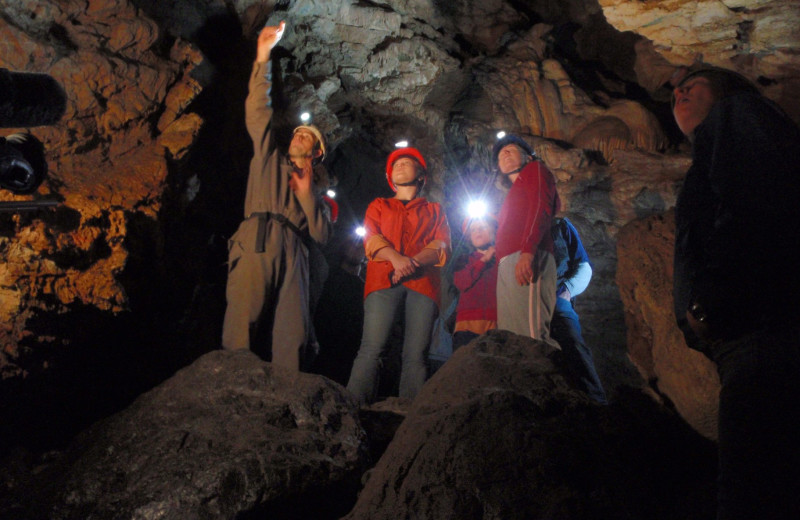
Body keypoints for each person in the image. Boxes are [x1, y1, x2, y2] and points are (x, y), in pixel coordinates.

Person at [671, 66, 800, 520]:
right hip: (747, 332)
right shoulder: (718, 139)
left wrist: (713, 296)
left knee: (751, 489)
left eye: (695, 83)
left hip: (761, 326)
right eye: (676, 91)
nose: (680, 91)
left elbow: (754, 201)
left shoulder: (738, 114)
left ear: (726, 89)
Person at [222, 21, 334, 370]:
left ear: (317, 153)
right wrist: (263, 55)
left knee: (293, 333)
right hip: (259, 234)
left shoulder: (317, 191)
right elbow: (258, 110)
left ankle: (287, 400)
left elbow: (322, 235)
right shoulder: (269, 157)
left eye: (307, 137)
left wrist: (306, 196)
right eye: (298, 133)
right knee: (243, 320)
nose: (299, 136)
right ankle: (228, 385)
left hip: (297, 249)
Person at [346, 147, 450, 404]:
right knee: (371, 348)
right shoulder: (379, 205)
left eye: (407, 162)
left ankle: (409, 416)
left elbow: (442, 244)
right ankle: (354, 407)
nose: (400, 165)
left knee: (416, 354)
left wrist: (411, 262)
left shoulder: (435, 210)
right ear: (390, 177)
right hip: (383, 279)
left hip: (423, 283)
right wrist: (397, 259)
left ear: (421, 175)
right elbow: (372, 238)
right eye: (396, 164)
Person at [493, 134, 561, 346]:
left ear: (529, 157)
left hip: (527, 257)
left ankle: (544, 378)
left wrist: (529, 250)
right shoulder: (513, 193)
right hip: (509, 263)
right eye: (501, 153)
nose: (504, 152)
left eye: (511, 149)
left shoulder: (535, 171)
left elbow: (541, 206)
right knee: (512, 334)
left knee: (531, 336)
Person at [550, 217, 606, 404]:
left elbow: (583, 266)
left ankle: (596, 402)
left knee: (573, 344)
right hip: (526, 303)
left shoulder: (561, 226)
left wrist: (567, 290)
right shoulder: (518, 230)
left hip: (556, 298)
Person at [451, 216, 498, 349]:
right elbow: (461, 282)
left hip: (496, 323)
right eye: (473, 230)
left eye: (482, 227)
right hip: (467, 325)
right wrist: (483, 261)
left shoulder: (502, 261)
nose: (477, 232)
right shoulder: (464, 260)